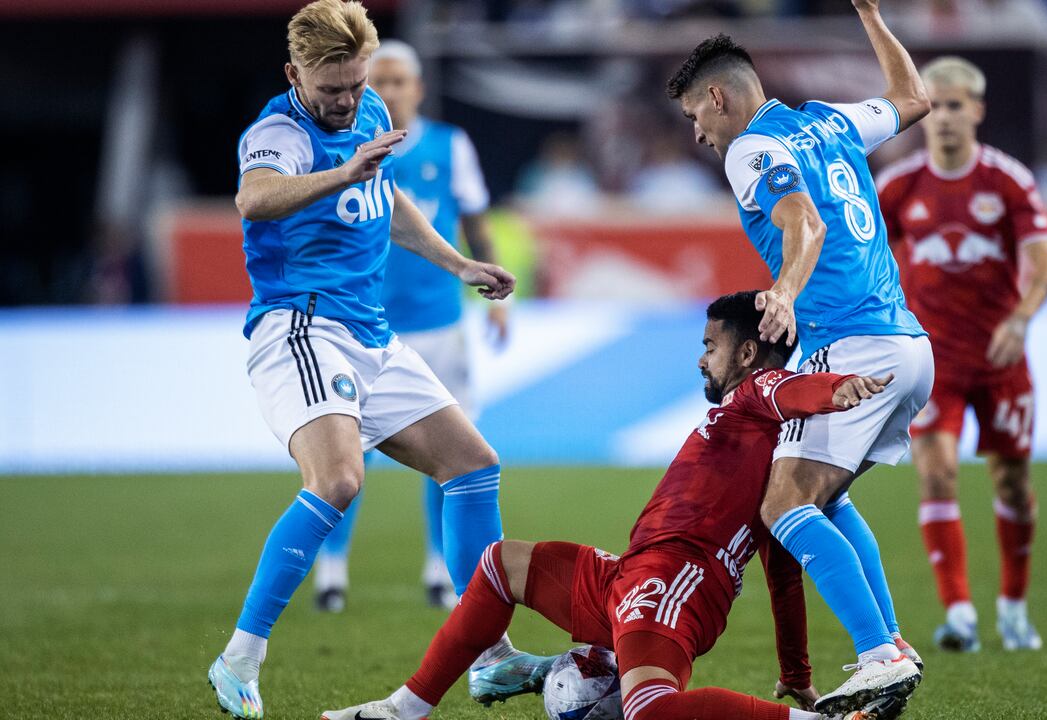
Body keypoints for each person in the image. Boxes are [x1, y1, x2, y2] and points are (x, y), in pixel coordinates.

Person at [321, 291, 901, 720]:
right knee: (500, 565)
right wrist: (796, 672)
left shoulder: (755, 395)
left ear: (748, 351)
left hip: (678, 583)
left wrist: (834, 390)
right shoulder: (765, 455)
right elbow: (782, 573)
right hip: (628, 572)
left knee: (650, 712)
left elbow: (790, 388)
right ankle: (405, 708)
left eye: (710, 347)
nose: (701, 360)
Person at [207, 3, 541, 717]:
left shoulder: (365, 116)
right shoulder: (277, 132)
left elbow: (385, 203)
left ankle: (490, 657)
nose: (349, 101)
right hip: (300, 329)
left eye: (358, 86)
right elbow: (255, 199)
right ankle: (240, 657)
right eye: (333, 88)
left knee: (474, 464)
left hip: (373, 335)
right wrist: (344, 171)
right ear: (294, 74)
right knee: (337, 481)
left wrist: (458, 263)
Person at [667, 1, 932, 714]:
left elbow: (803, 221)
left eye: (697, 115)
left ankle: (879, 655)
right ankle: (892, 645)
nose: (697, 133)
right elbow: (915, 98)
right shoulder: (829, 119)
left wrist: (783, 292)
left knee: (782, 502)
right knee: (826, 495)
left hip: (850, 344)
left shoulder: (749, 150)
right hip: (908, 344)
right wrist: (871, 14)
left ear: (719, 97)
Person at [312, 38, 510, 614]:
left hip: (440, 323)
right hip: (365, 324)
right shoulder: (347, 149)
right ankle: (332, 571)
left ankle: (438, 569)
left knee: (448, 446)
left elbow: (475, 218)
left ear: (419, 88)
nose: (391, 90)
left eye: (401, 81)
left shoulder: (451, 146)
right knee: (348, 451)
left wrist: (495, 298)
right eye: (382, 81)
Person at [875, 56, 1047, 653]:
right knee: (937, 471)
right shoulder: (898, 187)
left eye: (957, 106)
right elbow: (865, 256)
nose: (946, 117)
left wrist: (1022, 317)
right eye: (936, 105)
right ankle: (959, 615)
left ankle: (1012, 606)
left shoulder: (1007, 181)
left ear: (976, 111)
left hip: (1001, 356)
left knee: (1011, 481)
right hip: (933, 359)